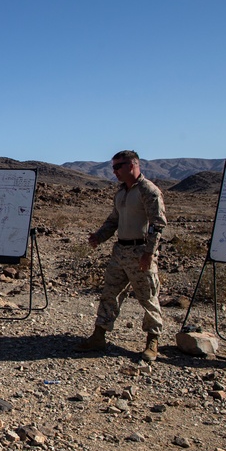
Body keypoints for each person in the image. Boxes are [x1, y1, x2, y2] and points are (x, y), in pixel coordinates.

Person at [78, 150, 167, 361]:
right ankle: (99, 336)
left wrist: (149, 252)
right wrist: (99, 237)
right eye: (113, 167)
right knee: (110, 293)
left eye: (118, 167)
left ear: (132, 165)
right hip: (120, 251)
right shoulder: (121, 193)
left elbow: (157, 224)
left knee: (147, 297)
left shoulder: (148, 191)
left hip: (140, 252)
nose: (114, 171)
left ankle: (152, 340)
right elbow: (114, 220)